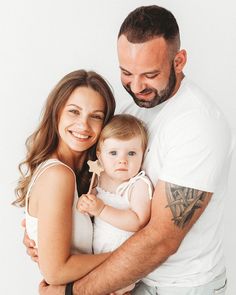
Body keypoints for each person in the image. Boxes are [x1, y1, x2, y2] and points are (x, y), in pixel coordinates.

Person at [26, 5, 234, 295]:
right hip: (129, 281)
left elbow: (161, 240)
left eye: (150, 74)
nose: (137, 86)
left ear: (179, 61)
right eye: (126, 72)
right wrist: (47, 234)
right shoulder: (133, 109)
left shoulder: (197, 124)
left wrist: (71, 291)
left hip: (179, 287)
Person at [13, 69, 116, 285]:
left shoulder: (84, 175)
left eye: (96, 116)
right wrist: (128, 258)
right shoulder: (58, 175)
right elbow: (56, 272)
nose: (83, 125)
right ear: (56, 112)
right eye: (74, 112)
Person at [77, 114, 153, 294]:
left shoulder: (138, 185)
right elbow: (90, 204)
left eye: (131, 153)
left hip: (125, 264)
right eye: (113, 153)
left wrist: (101, 209)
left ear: (143, 154)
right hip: (97, 258)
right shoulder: (99, 178)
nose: (122, 160)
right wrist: (85, 204)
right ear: (99, 155)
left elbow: (138, 221)